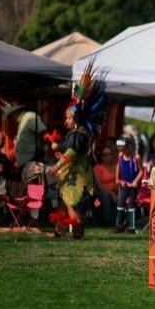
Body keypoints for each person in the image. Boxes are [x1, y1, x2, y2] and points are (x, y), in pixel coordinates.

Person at [46, 61, 108, 239]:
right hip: (69, 172)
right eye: (66, 118)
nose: (66, 121)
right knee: (63, 202)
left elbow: (71, 154)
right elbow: (67, 151)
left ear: (76, 119)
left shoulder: (80, 134)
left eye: (69, 118)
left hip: (76, 174)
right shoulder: (75, 133)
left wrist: (57, 166)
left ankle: (78, 231)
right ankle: (61, 229)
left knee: (72, 202)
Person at [114, 136, 143, 233]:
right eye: (119, 147)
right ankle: (119, 225)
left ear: (129, 146)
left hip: (132, 185)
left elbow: (141, 171)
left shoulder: (136, 157)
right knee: (120, 203)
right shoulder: (120, 155)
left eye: (122, 147)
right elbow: (118, 165)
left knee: (131, 205)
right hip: (123, 184)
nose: (121, 150)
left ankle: (132, 227)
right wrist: (117, 178)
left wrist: (135, 181)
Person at [92, 146, 117, 226]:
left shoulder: (116, 166)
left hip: (115, 191)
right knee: (105, 195)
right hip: (99, 195)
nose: (108, 156)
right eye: (105, 154)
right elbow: (99, 184)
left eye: (110, 154)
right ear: (101, 157)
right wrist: (111, 194)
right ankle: (107, 221)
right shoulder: (98, 168)